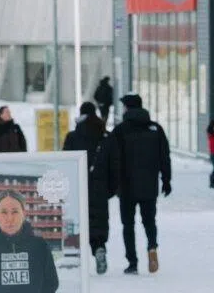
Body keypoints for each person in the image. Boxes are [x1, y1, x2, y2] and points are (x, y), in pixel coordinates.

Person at [104, 91, 171, 275]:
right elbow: (164, 157)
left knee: (128, 225)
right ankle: (152, 246)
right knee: (149, 221)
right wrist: (166, 180)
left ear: (127, 107)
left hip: (126, 186)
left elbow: (112, 159)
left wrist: (111, 183)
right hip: (149, 185)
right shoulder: (155, 129)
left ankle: (132, 262)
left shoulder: (120, 130)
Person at [63, 101, 111, 273]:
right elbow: (114, 163)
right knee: (98, 221)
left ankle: (77, 258)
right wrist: (110, 188)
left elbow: (66, 162)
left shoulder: (72, 136)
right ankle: (99, 247)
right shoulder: (105, 136)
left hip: (78, 184)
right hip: (100, 186)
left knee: (78, 222)